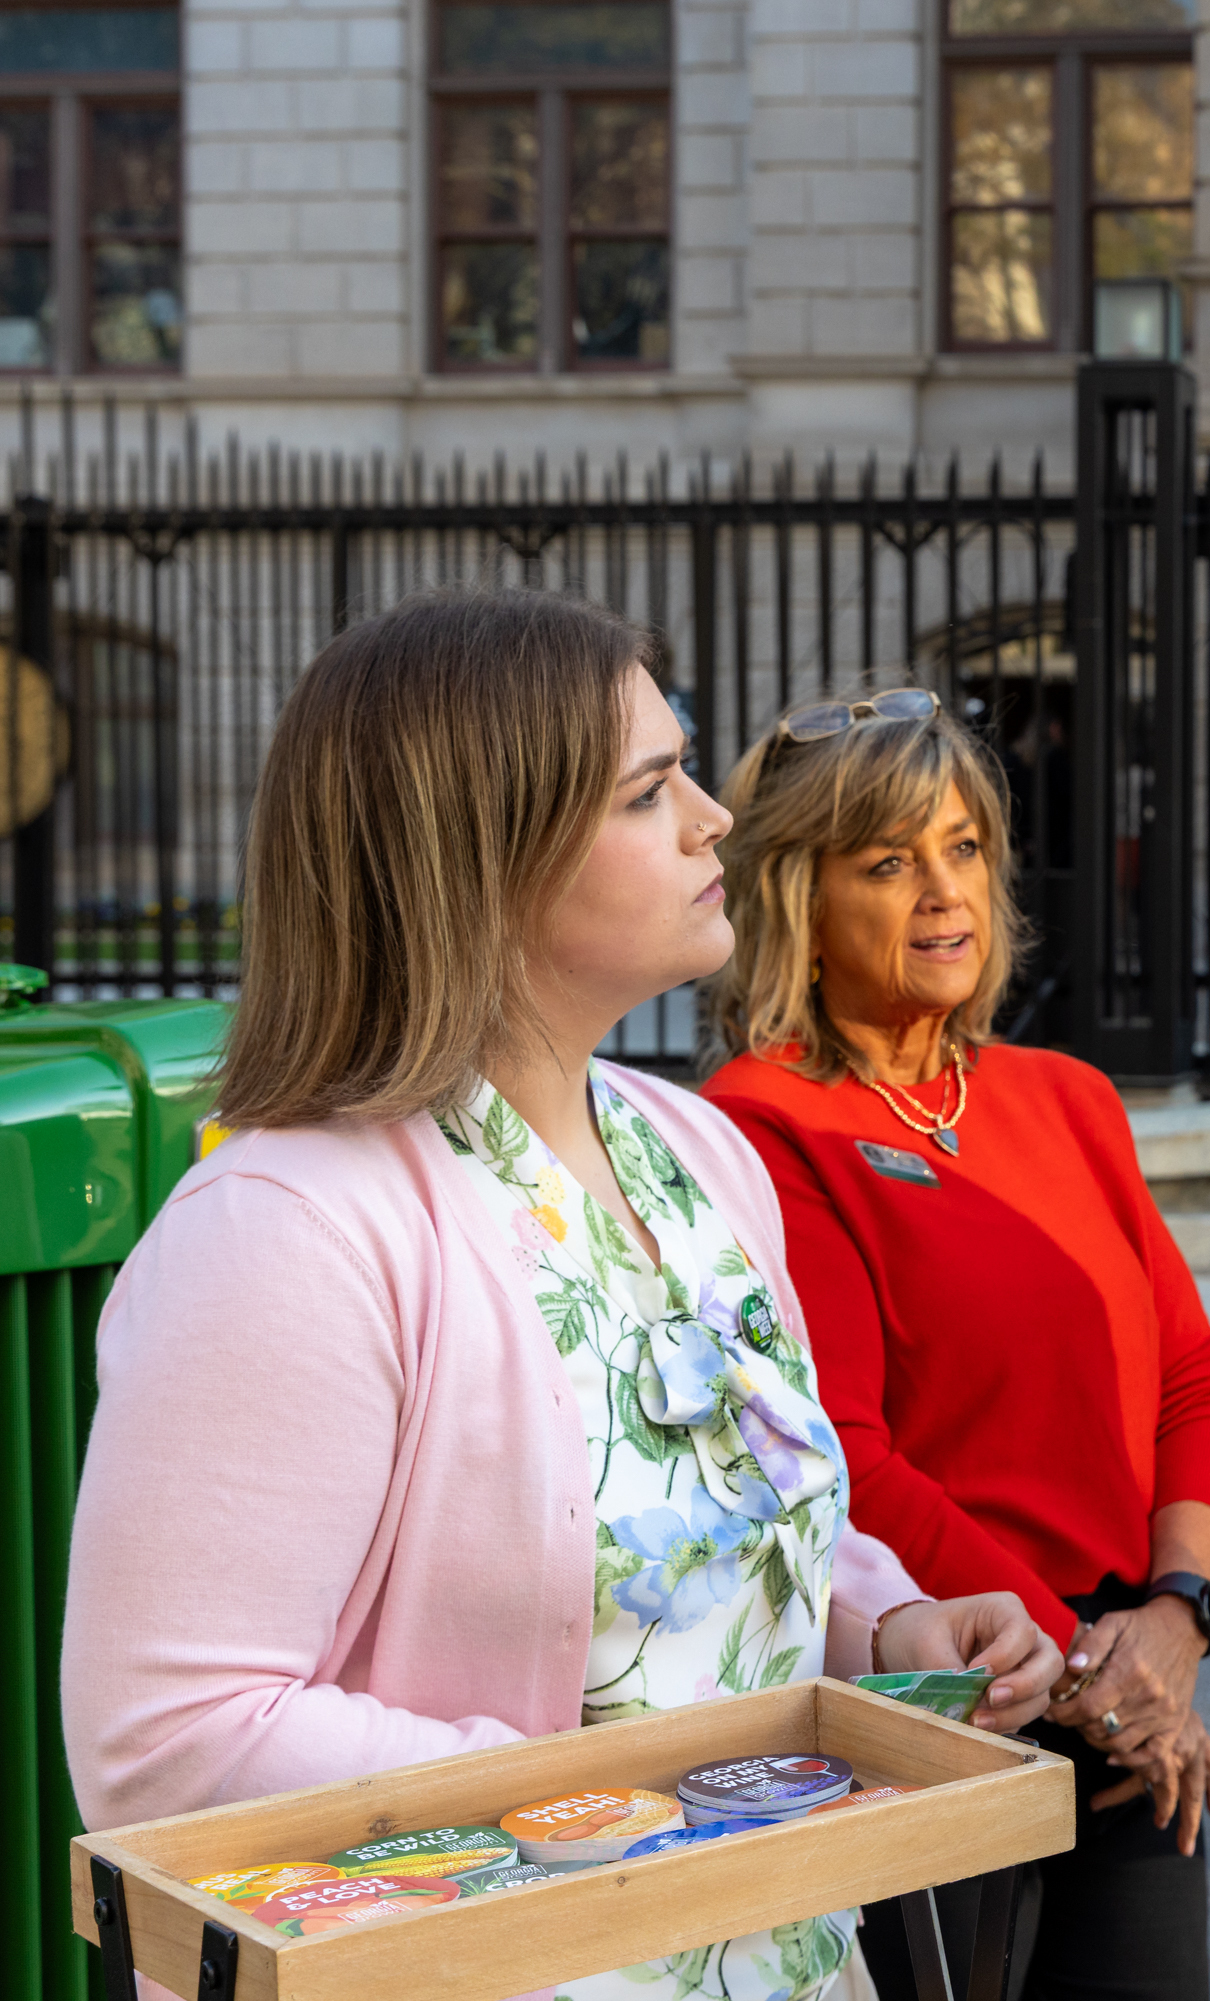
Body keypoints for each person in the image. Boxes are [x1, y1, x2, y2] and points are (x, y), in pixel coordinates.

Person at [60, 588, 1064, 2001]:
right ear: (489, 859)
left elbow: (727, 1500)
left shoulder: (699, 1152)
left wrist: (885, 1624)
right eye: (654, 791)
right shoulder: (284, 1230)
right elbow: (167, 1741)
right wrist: (622, 1800)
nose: (719, 819)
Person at [699, 689, 1210, 2001]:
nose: (943, 892)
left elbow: (1195, 1384)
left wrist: (1177, 1619)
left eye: (962, 848)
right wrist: (1082, 1670)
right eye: (888, 863)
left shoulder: (1066, 1099)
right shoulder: (765, 1123)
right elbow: (849, 1463)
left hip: (1122, 1696)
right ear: (802, 902)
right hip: (943, 1704)